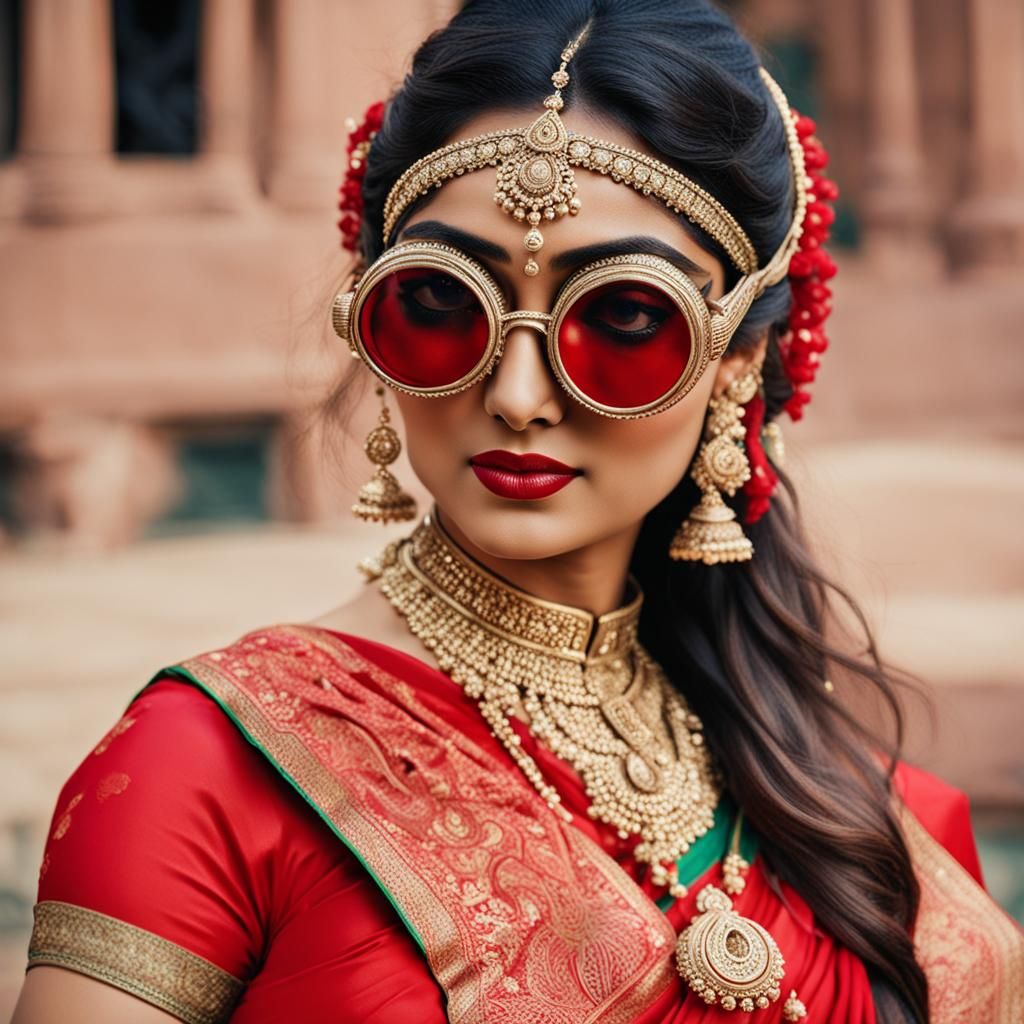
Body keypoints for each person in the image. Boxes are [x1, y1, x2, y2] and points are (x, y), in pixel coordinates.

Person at [12, 2, 1023, 1022]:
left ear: (739, 359)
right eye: (443, 302)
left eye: (624, 314)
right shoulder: (209, 768)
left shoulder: (856, 812)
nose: (518, 394)